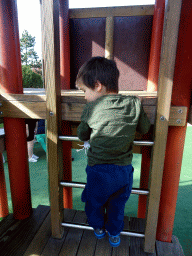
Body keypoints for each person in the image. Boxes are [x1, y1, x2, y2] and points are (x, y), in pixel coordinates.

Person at [76, 57, 151, 247]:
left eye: (85, 91)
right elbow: (143, 128)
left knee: (94, 202)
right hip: (123, 172)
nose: (84, 96)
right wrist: (139, 106)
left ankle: (98, 227)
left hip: (98, 171)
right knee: (117, 205)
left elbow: (81, 134)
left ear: (98, 85)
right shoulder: (133, 104)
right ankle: (115, 234)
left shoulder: (91, 108)